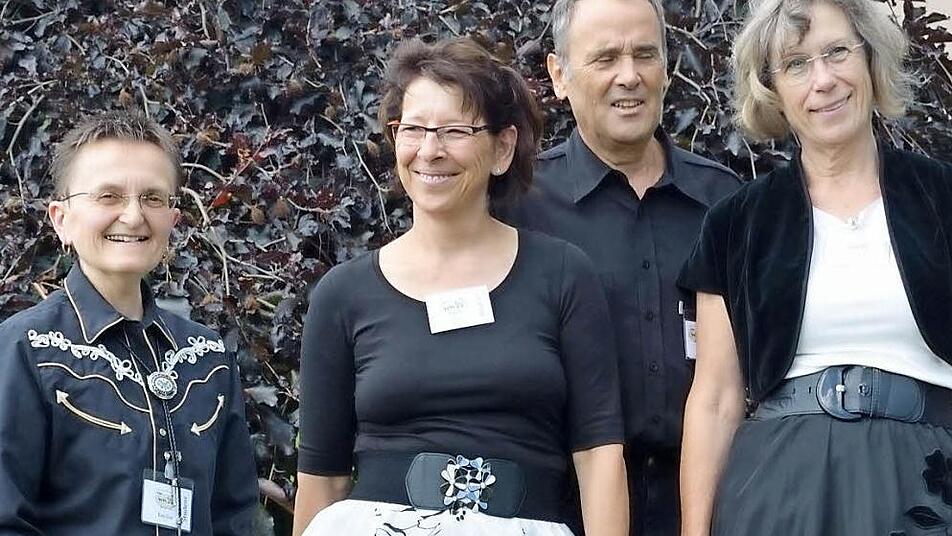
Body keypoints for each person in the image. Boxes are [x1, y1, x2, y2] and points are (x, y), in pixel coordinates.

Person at [292, 38, 628, 536]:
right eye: (413, 129)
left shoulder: (563, 275)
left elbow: (599, 456)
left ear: (502, 148)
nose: (430, 151)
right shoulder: (342, 295)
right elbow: (322, 480)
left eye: (454, 131)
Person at [678, 0, 952, 534]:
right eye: (797, 64)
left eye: (837, 52)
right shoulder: (735, 224)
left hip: (928, 482)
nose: (823, 80)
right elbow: (715, 399)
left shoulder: (943, 198)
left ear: (870, 59)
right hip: (780, 487)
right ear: (772, 88)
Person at [497, 0, 740, 534]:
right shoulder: (518, 207)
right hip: (557, 509)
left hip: (703, 506)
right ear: (559, 75)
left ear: (666, 67)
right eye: (605, 58)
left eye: (645, 55)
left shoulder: (723, 202)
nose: (629, 76)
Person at [0, 111, 259, 534]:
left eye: (153, 198)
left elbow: (234, 518)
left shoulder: (207, 358)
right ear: (61, 219)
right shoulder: (23, 352)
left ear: (173, 220)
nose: (134, 216)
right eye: (109, 196)